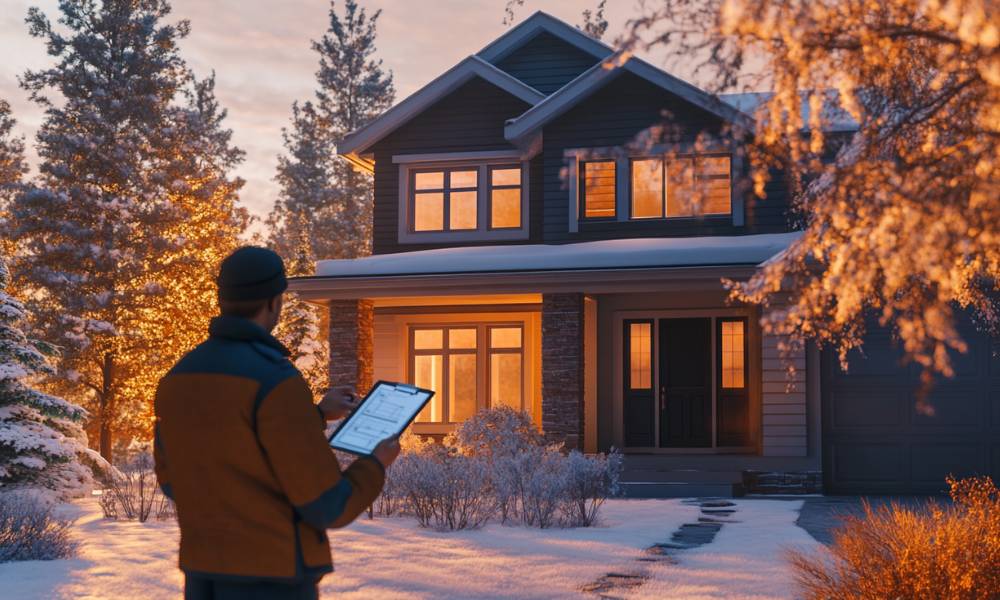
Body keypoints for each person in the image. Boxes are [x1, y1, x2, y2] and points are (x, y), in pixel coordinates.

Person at [153, 246, 400, 600]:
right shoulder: (276, 381)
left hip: (202, 575)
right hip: (273, 578)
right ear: (274, 302)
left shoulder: (178, 379)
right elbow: (328, 504)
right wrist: (376, 463)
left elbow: (175, 478)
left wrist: (315, 415)